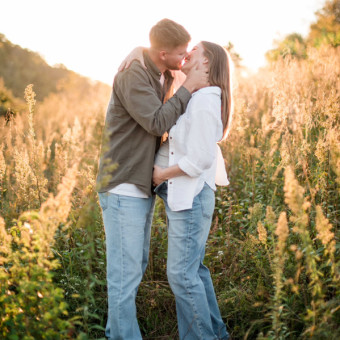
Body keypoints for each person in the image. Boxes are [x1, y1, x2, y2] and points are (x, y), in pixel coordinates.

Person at [96, 19, 209, 340]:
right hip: (122, 184)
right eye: (181, 54)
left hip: (138, 183)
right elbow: (157, 122)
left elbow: (167, 68)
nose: (186, 59)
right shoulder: (134, 75)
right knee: (125, 273)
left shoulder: (160, 69)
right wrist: (189, 88)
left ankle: (116, 332)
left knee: (134, 266)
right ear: (161, 53)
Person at [151, 41, 232, 340]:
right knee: (193, 271)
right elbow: (163, 64)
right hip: (190, 195)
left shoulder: (205, 102)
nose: (187, 51)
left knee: (182, 275)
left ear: (207, 63)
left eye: (194, 49)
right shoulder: (197, 96)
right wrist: (136, 53)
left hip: (192, 197)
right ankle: (218, 334)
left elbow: (199, 160)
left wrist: (160, 174)